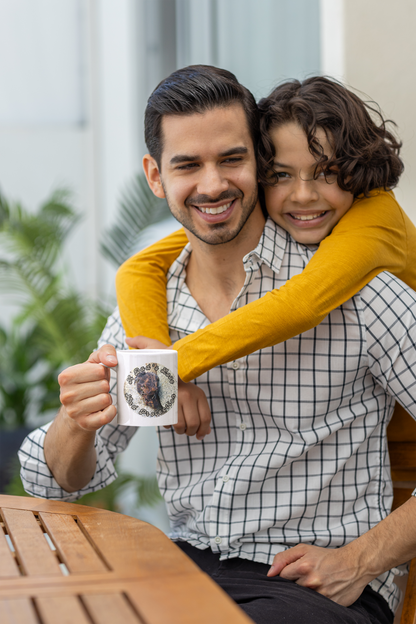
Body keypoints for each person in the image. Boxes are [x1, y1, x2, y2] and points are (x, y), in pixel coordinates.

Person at [19, 66, 416, 624]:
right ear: (156, 177)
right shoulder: (148, 308)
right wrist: (76, 423)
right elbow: (52, 483)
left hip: (317, 585)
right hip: (185, 571)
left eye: (231, 159)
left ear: (257, 161)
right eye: (188, 165)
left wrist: (361, 560)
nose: (212, 185)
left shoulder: (357, 288)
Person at [115, 78, 416, 384]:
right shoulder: (249, 211)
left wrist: (171, 367)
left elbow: (302, 303)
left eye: (327, 172)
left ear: (357, 166)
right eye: (281, 174)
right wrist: (151, 358)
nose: (302, 195)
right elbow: (139, 268)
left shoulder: (376, 216)